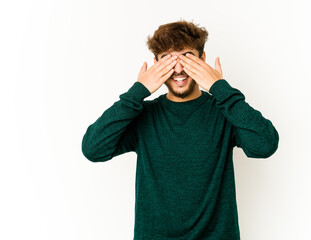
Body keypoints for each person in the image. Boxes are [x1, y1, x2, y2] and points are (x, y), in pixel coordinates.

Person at [82, 19, 279, 240]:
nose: (177, 69)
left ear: (202, 59)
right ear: (155, 63)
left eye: (186, 57)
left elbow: (265, 145)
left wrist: (219, 88)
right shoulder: (142, 115)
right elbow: (93, 149)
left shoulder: (224, 111)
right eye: (166, 59)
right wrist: (137, 92)